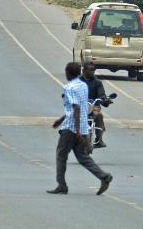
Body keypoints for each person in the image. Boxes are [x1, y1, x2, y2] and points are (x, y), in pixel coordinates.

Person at [48, 62, 112, 196]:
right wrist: (61, 119)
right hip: (83, 125)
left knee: (61, 155)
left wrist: (76, 131)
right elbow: (78, 107)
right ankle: (104, 176)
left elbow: (76, 108)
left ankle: (62, 185)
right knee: (83, 157)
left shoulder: (69, 88)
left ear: (68, 73)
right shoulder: (83, 85)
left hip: (72, 128)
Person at [81, 63, 108, 148]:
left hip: (93, 107)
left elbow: (102, 94)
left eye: (93, 71)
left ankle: (99, 138)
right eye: (90, 71)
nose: (92, 73)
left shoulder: (98, 82)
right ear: (83, 71)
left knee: (99, 115)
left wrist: (104, 100)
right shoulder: (77, 81)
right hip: (80, 107)